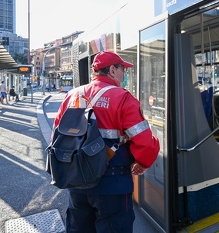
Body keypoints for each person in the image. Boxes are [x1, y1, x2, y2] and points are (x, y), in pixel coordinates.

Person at [51, 51, 160, 232]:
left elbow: (56, 137)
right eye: (122, 69)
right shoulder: (123, 98)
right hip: (112, 182)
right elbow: (145, 142)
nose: (124, 74)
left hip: (76, 179)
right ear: (112, 70)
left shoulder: (72, 95)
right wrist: (142, 163)